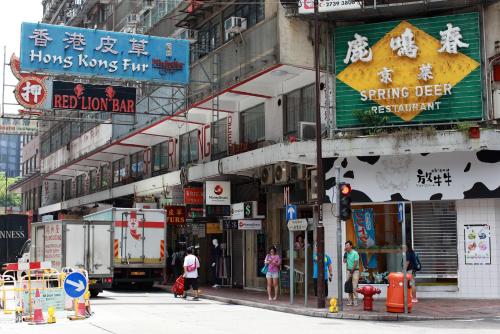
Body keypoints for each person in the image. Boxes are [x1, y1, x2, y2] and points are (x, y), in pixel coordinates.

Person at [345, 240, 360, 306]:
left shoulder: (355, 253)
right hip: (348, 270)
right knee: (349, 286)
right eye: (346, 245)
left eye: (347, 245)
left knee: (354, 286)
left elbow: (356, 262)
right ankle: (350, 301)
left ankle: (355, 300)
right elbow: (344, 261)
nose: (346, 246)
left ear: (351, 246)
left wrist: (352, 270)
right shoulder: (347, 253)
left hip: (355, 271)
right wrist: (345, 254)